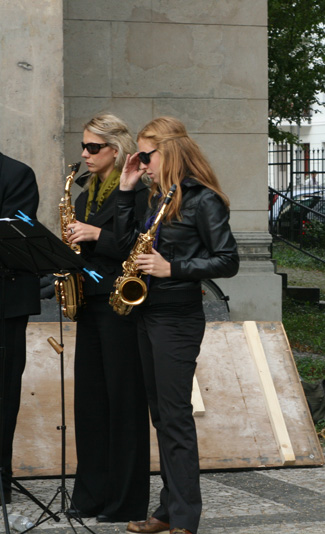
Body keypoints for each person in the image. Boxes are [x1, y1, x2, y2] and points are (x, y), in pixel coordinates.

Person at [117, 117, 239, 534]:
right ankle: (169, 510)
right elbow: (121, 240)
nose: (141, 162)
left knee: (175, 417)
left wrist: (174, 268)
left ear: (168, 151)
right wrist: (126, 187)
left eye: (146, 155)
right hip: (147, 314)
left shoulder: (203, 200)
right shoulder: (154, 197)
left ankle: (185, 519)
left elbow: (228, 260)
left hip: (177, 317)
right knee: (161, 416)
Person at [65, 113, 151, 522]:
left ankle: (125, 501)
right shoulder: (84, 194)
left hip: (123, 308)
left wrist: (95, 234)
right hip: (91, 304)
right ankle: (91, 495)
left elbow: (135, 246)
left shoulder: (138, 193)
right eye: (84, 147)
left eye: (92, 148)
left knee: (124, 405)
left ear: (116, 151)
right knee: (91, 404)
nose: (85, 154)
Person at [0, 150, 40, 504]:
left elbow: (16, 235)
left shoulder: (17, 174)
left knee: (2, 393)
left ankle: (0, 479)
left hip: (5, 305)